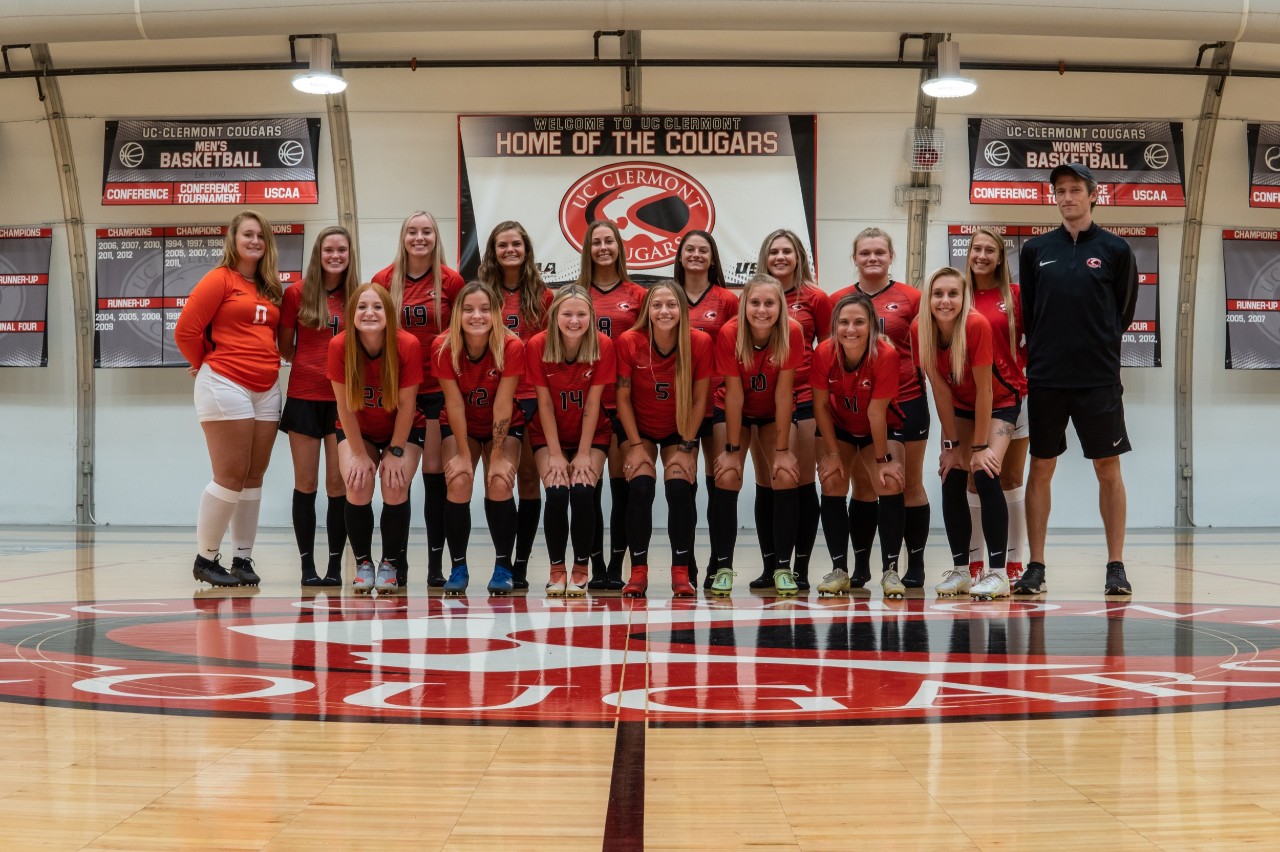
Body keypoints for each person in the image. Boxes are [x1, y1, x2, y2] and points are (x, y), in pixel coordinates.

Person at [1018, 162, 1138, 596]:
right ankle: (1036, 565)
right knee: (1042, 466)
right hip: (1047, 377)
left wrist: (1096, 347)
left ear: (1093, 195)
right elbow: (1030, 312)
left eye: (1074, 190)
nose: (1067, 197)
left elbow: (1121, 313)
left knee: (1108, 467)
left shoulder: (1116, 249)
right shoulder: (1035, 250)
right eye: (1060, 191)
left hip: (1098, 379)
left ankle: (1116, 566)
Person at [175, 210, 284, 588]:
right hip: (225, 383)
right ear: (234, 240)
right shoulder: (219, 279)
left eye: (261, 236)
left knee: (254, 474)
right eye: (248, 235)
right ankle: (205, 559)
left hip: (267, 388)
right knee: (231, 474)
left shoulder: (270, 288)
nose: (255, 241)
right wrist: (203, 360)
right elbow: (186, 329)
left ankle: (242, 558)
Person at [913, 267, 1020, 600]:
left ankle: (999, 574)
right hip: (960, 406)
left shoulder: (976, 325)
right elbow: (941, 391)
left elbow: (986, 391)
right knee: (951, 473)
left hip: (999, 403)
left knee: (986, 473)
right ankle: (961, 571)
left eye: (953, 294)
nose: (945, 301)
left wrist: (980, 447)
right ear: (929, 299)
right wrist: (951, 446)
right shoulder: (921, 328)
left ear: (964, 298)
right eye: (938, 294)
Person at [371, 211, 465, 588]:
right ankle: (397, 561)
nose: (419, 237)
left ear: (435, 236)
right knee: (399, 480)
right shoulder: (382, 280)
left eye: (426, 231)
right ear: (403, 236)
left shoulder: (451, 280)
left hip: (439, 392)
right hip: (400, 394)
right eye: (412, 231)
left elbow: (465, 329)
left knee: (436, 480)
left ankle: (435, 565)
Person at [830, 228, 927, 593]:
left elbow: (926, 349)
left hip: (906, 400)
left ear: (891, 257)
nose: (872, 258)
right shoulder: (838, 299)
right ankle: (859, 565)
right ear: (854, 258)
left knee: (907, 483)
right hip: (858, 405)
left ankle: (912, 565)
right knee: (864, 487)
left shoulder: (912, 298)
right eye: (865, 252)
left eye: (880, 252)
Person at [614, 281, 714, 597]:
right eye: (657, 305)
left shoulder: (698, 342)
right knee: (641, 487)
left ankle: (681, 572)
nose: (664, 311)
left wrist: (686, 446)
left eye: (671, 304)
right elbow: (622, 398)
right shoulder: (630, 341)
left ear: (682, 310)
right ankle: (639, 572)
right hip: (639, 428)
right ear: (647, 310)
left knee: (679, 488)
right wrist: (633, 446)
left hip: (680, 427)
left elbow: (700, 400)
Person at [708, 274, 805, 596]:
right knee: (728, 475)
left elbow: (783, 393)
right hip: (734, 409)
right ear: (743, 305)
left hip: (771, 411)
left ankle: (781, 568)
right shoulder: (729, 333)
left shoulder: (792, 331)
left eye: (769, 303)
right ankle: (723, 567)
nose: (761, 310)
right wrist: (732, 449)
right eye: (755, 302)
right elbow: (734, 395)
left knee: (784, 475)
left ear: (780, 306)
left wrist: (781, 450)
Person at [327, 282, 424, 594]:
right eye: (362, 307)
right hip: (360, 427)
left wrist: (395, 451)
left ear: (389, 313)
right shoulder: (340, 346)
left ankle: (390, 563)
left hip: (402, 427)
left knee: (395, 485)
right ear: (352, 313)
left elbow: (408, 405)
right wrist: (358, 453)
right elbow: (344, 406)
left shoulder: (406, 344)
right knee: (357, 482)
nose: (369, 312)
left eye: (378, 307)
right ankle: (364, 563)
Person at [277, 226, 359, 586]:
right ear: (318, 253)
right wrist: (314, 365)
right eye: (329, 250)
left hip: (343, 402)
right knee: (306, 484)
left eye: (342, 250)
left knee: (337, 485)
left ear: (349, 254)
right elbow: (284, 346)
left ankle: (334, 568)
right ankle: (308, 567)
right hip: (304, 398)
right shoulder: (297, 293)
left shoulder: (359, 293)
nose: (335, 256)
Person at [810, 293, 907, 596]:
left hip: (879, 427)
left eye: (859, 322)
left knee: (889, 481)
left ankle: (891, 572)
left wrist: (882, 460)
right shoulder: (824, 352)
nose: (850, 329)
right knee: (832, 479)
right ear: (834, 325)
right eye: (844, 322)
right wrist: (833, 454)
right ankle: (840, 569)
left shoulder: (885, 354)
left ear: (872, 327)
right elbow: (821, 407)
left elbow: (876, 412)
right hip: (839, 425)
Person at [433, 281, 525, 596]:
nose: (477, 316)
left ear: (496, 313)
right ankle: (458, 566)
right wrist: (461, 452)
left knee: (499, 480)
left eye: (485, 309)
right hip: (463, 424)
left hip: (501, 422)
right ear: (457, 313)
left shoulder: (511, 346)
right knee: (458, 478)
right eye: (469, 309)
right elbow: (454, 403)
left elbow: (503, 404)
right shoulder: (443, 346)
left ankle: (503, 566)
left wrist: (497, 455)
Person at [750, 229, 830, 591]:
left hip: (804, 396)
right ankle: (771, 567)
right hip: (764, 398)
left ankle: (799, 567)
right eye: (774, 251)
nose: (780, 257)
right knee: (767, 481)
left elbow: (831, 351)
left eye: (787, 251)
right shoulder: (755, 298)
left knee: (800, 481)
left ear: (799, 255)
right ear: (765, 257)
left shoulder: (815, 297)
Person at [477, 221, 552, 591]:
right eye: (502, 244)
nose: (510, 250)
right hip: (491, 394)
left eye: (516, 243)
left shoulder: (543, 296)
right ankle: (502, 560)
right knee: (498, 479)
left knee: (526, 479)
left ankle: (520, 563)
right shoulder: (481, 293)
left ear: (526, 249)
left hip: (531, 395)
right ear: (492, 250)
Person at [525, 287, 615, 596]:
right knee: (557, 491)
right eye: (567, 314)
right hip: (548, 434)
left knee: (581, 491)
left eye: (581, 314)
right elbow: (544, 403)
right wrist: (554, 453)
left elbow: (593, 404)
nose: (574, 320)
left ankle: (580, 567)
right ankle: (556, 569)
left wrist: (583, 453)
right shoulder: (538, 345)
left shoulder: (603, 345)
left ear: (592, 316)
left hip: (592, 434)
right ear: (554, 317)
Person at [575, 220, 646, 590]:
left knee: (622, 488)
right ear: (587, 248)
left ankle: (615, 566)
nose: (603, 247)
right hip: (585, 399)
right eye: (596, 242)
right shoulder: (575, 295)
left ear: (619, 246)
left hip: (624, 400)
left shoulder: (637, 295)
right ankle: (593, 562)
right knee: (590, 489)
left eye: (609, 241)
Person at [962, 228, 1029, 585]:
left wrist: (1022, 375)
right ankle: (975, 562)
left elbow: (1034, 339)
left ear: (1001, 258)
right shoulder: (959, 296)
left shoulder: (1015, 295)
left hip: (1013, 398)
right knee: (976, 478)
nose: (982, 256)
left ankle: (1015, 562)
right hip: (970, 402)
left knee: (1009, 477)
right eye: (977, 249)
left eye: (990, 250)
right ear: (968, 253)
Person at [672, 230, 739, 589]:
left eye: (703, 250)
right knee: (684, 484)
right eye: (689, 249)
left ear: (712, 258)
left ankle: (719, 562)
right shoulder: (669, 297)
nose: (696, 255)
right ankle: (687, 563)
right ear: (680, 256)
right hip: (678, 405)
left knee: (719, 483)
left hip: (717, 402)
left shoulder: (728, 300)